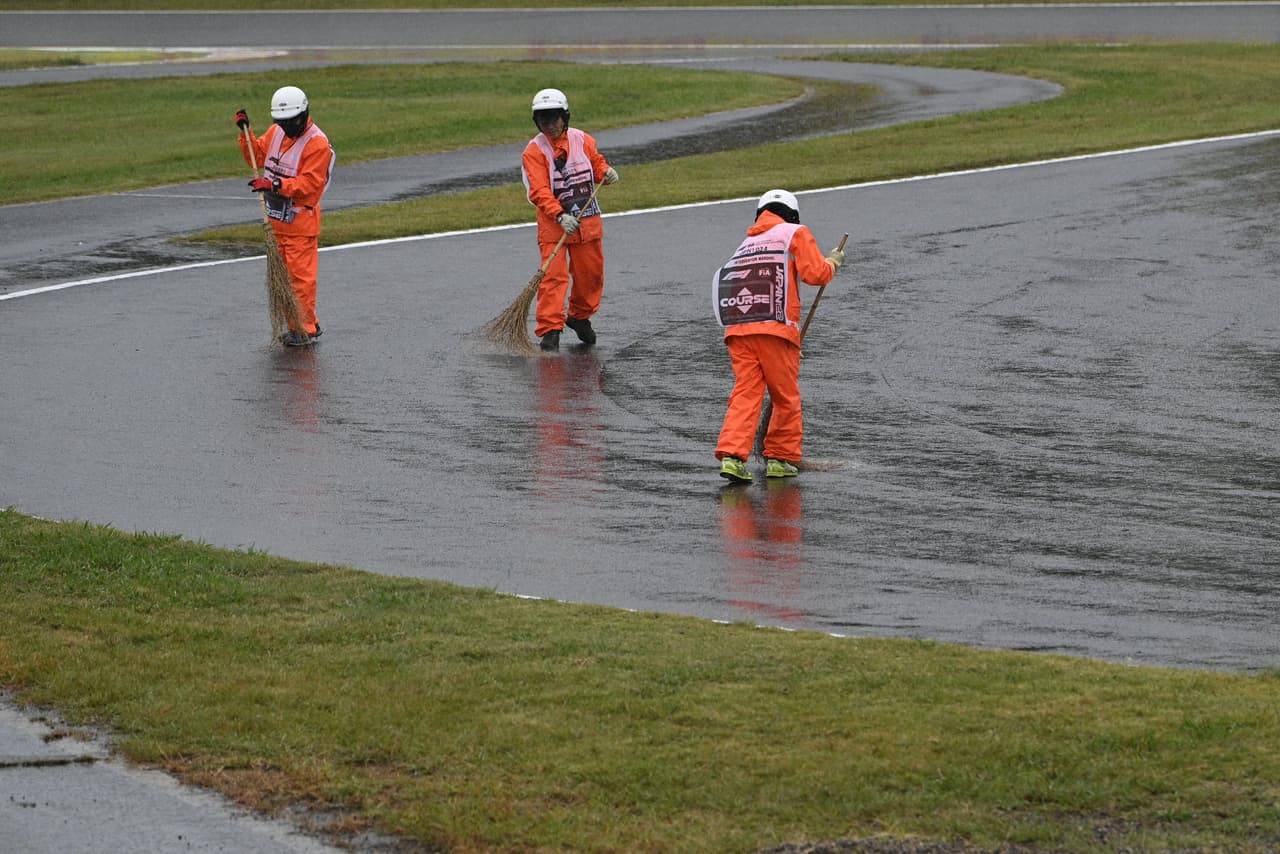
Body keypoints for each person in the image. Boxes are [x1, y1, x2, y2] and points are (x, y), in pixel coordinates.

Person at [713, 189, 844, 483]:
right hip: (775, 329)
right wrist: (833, 263)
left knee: (745, 395)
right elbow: (815, 274)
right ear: (793, 214)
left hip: (738, 329)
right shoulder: (794, 232)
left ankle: (733, 458)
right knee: (785, 396)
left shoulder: (746, 243)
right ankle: (779, 458)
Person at [235, 85, 335, 347]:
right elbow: (257, 156)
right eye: (281, 122)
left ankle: (305, 328)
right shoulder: (276, 133)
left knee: (300, 280)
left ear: (303, 115)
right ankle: (294, 325)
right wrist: (246, 134)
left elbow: (310, 184)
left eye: (290, 122)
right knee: (282, 278)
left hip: (300, 224)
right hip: (276, 221)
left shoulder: (317, 144)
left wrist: (276, 185)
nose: (286, 127)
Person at [520, 88, 619, 351]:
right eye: (543, 120)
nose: (549, 125)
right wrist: (560, 216)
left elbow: (596, 163)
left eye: (553, 118)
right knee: (553, 277)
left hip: (587, 222)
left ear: (565, 117)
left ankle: (579, 317)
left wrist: (605, 172)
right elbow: (539, 191)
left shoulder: (583, 139)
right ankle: (550, 329)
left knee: (591, 276)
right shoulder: (534, 152)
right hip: (555, 225)